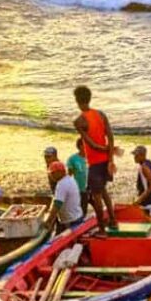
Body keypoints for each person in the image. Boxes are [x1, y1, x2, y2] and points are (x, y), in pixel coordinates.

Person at [73, 85, 117, 233]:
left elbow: (92, 145)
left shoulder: (79, 121)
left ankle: (102, 230)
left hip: (95, 163)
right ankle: (113, 221)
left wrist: (105, 150)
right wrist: (110, 156)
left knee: (97, 197)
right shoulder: (101, 114)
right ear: (89, 98)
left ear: (77, 101)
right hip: (106, 161)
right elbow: (110, 137)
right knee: (104, 192)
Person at [46, 161, 84, 232]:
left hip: (71, 221)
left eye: (53, 173)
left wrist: (48, 221)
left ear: (60, 172)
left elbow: (57, 204)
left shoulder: (61, 184)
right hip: (78, 216)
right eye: (51, 173)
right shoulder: (70, 179)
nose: (51, 176)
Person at [131, 145, 151, 214]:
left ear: (142, 155)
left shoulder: (144, 167)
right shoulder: (148, 162)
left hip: (147, 204)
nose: (134, 157)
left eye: (136, 156)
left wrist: (139, 200)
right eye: (134, 155)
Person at [66, 138, 89, 215]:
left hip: (91, 187)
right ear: (79, 146)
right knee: (80, 207)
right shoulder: (73, 159)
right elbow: (69, 175)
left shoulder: (92, 157)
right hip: (79, 188)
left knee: (95, 206)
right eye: (84, 145)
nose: (87, 146)